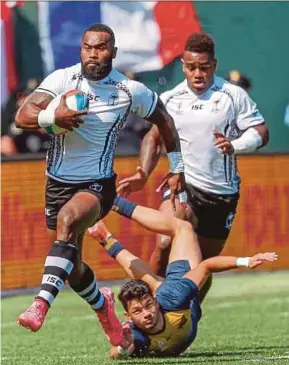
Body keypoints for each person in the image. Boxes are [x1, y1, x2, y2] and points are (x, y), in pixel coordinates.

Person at [15, 23, 185, 345]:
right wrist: (54, 118)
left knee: (68, 221)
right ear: (81, 49)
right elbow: (22, 117)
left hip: (97, 184)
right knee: (74, 267)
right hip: (57, 184)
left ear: (114, 52)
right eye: (88, 47)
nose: (93, 54)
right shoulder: (62, 79)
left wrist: (177, 167)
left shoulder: (127, 90)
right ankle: (103, 305)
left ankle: (40, 304)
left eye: (101, 48)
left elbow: (164, 120)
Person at [116, 32, 270, 300]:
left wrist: (236, 146)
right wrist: (143, 172)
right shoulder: (171, 98)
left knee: (201, 268)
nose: (198, 73)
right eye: (191, 67)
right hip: (183, 186)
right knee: (165, 242)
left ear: (214, 65)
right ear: (183, 66)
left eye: (204, 67)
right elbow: (153, 137)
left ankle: (187, 317)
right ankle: (149, 304)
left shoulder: (233, 95)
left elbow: (261, 132)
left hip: (221, 195)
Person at [88, 196, 277, 358]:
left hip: (176, 287)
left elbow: (206, 266)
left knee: (183, 229)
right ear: (128, 317)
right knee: (155, 279)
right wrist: (122, 346)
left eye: (148, 306)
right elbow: (117, 352)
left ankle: (114, 204)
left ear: (156, 302)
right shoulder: (136, 332)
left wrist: (246, 261)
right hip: (171, 294)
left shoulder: (175, 297)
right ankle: (106, 234)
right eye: (137, 312)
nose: (147, 314)